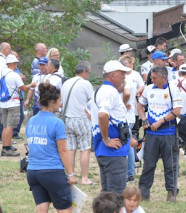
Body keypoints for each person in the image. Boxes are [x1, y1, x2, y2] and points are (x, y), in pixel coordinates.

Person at [26, 83, 77, 213]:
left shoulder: (31, 121)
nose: (61, 104)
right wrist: (71, 173)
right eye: (60, 100)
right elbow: (63, 151)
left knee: (41, 208)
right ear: (53, 102)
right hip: (52, 171)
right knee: (64, 210)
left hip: (33, 171)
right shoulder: (57, 123)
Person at [137, 66, 182, 201]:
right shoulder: (149, 89)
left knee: (170, 164)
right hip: (151, 134)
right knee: (149, 163)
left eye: (154, 77)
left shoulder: (173, 90)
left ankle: (171, 192)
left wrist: (160, 122)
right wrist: (144, 120)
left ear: (163, 77)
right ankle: (144, 193)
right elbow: (140, 106)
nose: (151, 79)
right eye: (151, 77)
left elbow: (177, 111)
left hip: (168, 133)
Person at [90, 60, 131, 193]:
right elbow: (102, 115)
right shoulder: (110, 92)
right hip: (113, 151)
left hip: (103, 150)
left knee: (107, 194)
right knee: (116, 195)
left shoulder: (99, 90)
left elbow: (87, 110)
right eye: (122, 73)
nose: (124, 76)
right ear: (113, 75)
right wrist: (106, 138)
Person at [60, 61, 94, 185]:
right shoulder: (85, 84)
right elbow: (92, 102)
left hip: (68, 119)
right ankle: (84, 177)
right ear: (84, 72)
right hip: (82, 119)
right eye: (89, 73)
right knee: (85, 149)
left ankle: (71, 175)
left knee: (70, 148)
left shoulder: (66, 83)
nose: (89, 75)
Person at [0, 54, 29, 157]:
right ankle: (6, 149)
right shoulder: (14, 75)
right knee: (10, 126)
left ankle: (5, 145)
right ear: (14, 63)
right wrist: (31, 85)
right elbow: (23, 88)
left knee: (5, 126)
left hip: (3, 103)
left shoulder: (1, 73)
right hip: (13, 103)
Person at [120, 55, 144, 182]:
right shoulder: (128, 77)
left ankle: (129, 173)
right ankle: (129, 172)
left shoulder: (127, 78)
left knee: (128, 144)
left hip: (127, 115)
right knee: (129, 142)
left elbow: (128, 93)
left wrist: (122, 103)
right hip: (128, 115)